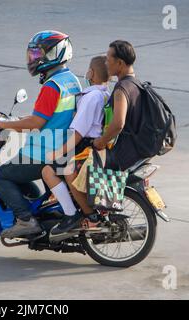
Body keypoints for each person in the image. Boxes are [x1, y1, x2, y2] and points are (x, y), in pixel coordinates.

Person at [0, 30, 82, 238]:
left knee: (0, 175)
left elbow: (36, 122)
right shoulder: (71, 80)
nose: (33, 59)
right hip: (64, 146)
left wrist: (2, 125)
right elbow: (51, 114)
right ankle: (35, 211)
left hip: (43, 152)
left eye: (37, 54)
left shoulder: (51, 86)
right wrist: (21, 120)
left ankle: (25, 220)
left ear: (53, 54)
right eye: (32, 55)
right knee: (15, 173)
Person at [57, 39, 144, 234]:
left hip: (97, 146)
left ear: (119, 63)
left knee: (66, 170)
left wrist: (100, 142)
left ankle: (89, 217)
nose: (106, 63)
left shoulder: (119, 90)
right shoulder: (131, 85)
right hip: (119, 146)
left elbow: (117, 123)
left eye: (109, 59)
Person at [41, 55, 111, 235]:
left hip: (84, 147)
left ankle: (78, 215)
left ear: (91, 72)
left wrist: (58, 152)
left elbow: (78, 132)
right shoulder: (105, 93)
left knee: (48, 171)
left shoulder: (91, 97)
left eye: (89, 69)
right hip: (96, 146)